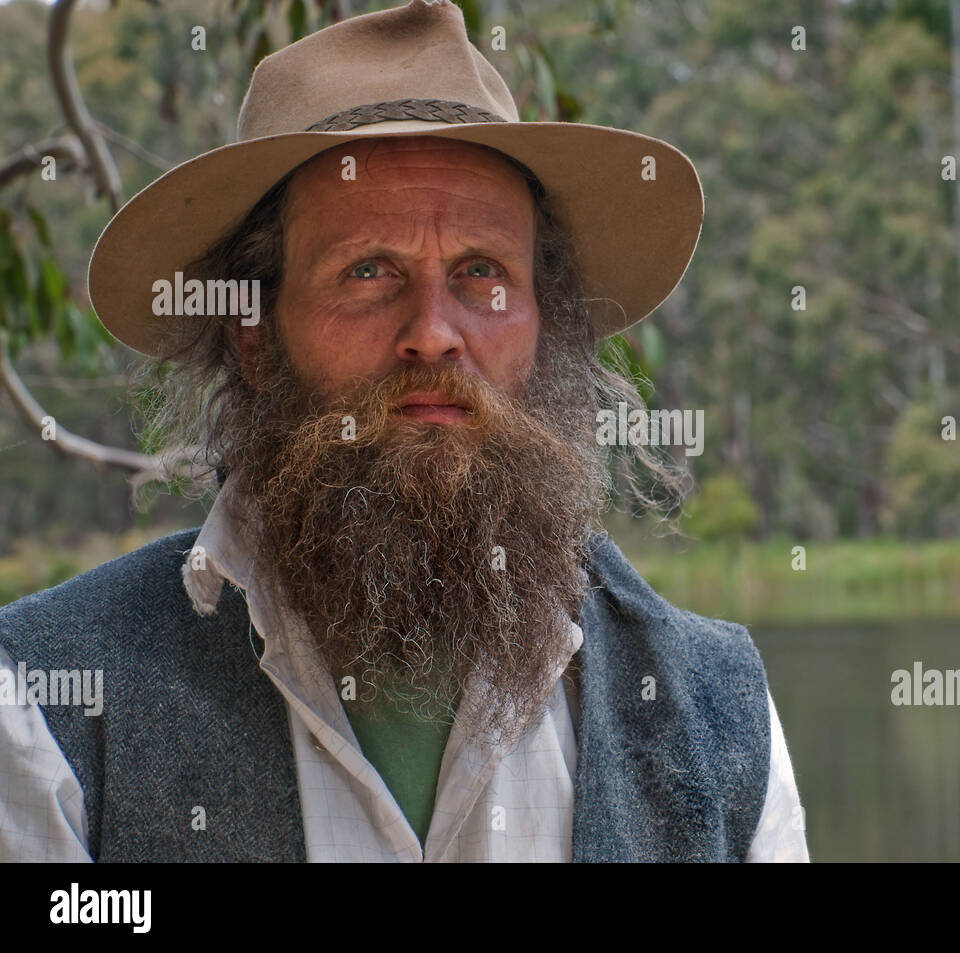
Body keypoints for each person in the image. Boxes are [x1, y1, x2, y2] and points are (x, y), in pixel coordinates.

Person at [0, 0, 807, 862]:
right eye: (368, 269)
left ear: (545, 324)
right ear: (255, 336)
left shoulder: (720, 717)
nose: (434, 329)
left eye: (482, 272)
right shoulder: (46, 709)